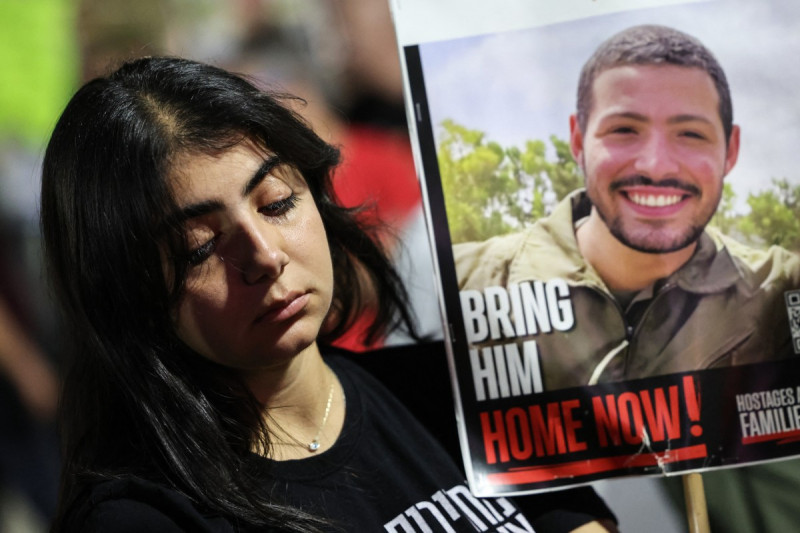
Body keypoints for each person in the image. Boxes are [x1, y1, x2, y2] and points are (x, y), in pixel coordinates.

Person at [40, 56, 617, 532]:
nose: (264, 256)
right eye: (199, 246)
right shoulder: (142, 517)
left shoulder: (449, 395)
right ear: (125, 292)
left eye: (276, 203)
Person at [455, 24, 800, 391]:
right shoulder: (460, 285)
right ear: (578, 141)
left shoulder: (782, 291)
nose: (655, 166)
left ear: (730, 150)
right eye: (623, 130)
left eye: (691, 134)